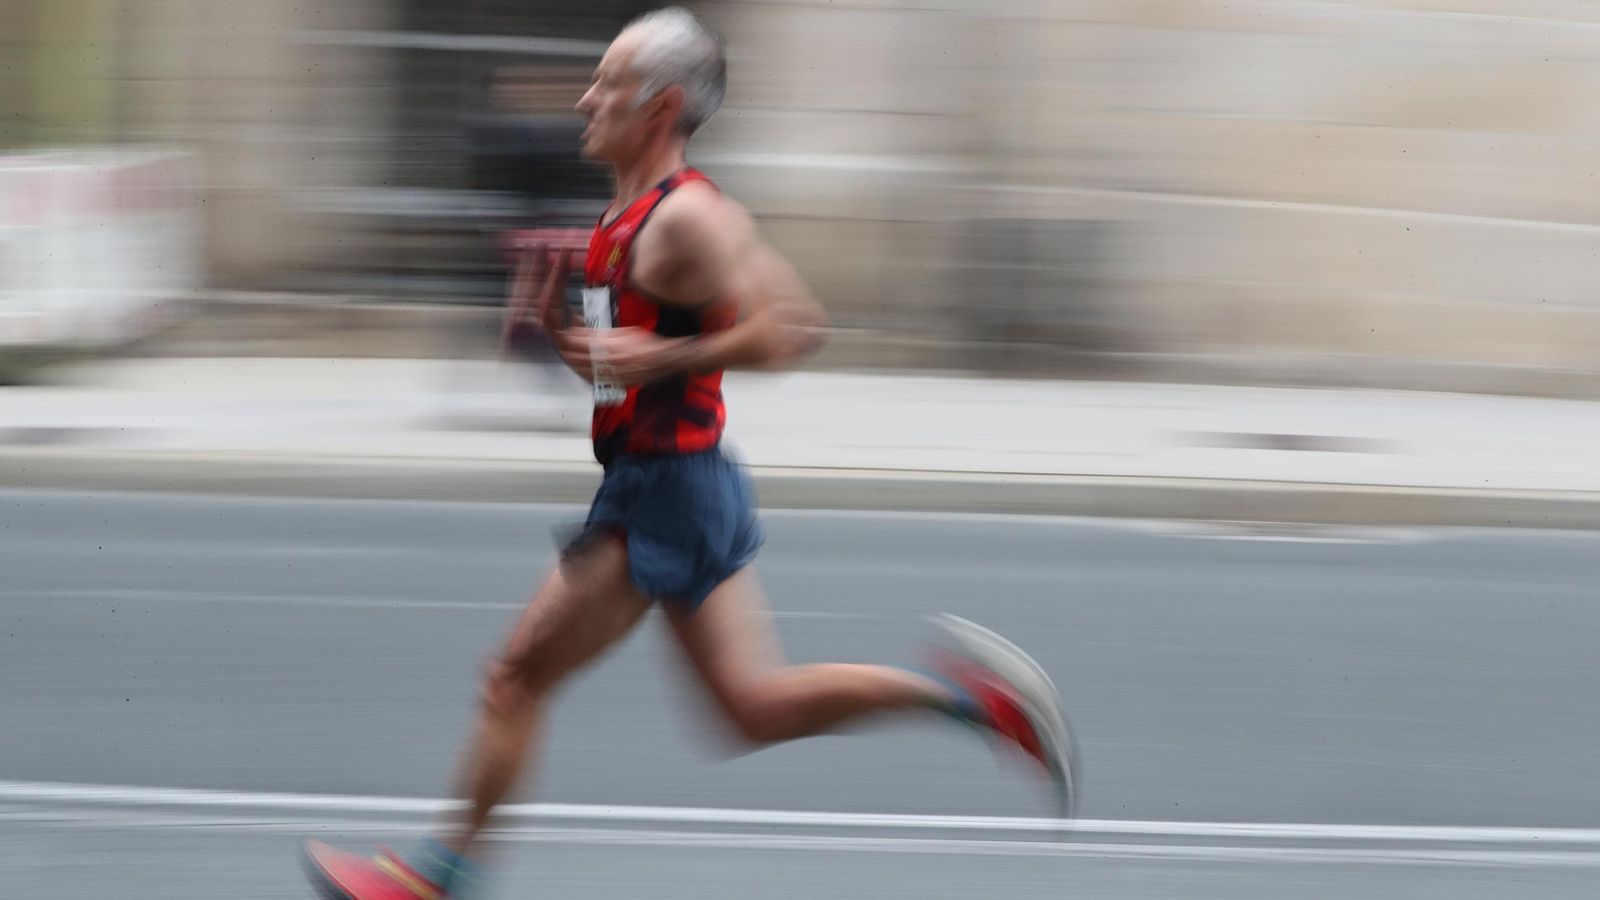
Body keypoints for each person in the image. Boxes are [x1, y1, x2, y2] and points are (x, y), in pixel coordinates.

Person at [304, 9, 1075, 899]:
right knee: (750, 708)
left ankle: (430, 881)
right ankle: (976, 702)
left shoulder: (690, 218)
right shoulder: (635, 213)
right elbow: (635, 356)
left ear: (660, 107)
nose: (586, 99)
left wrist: (660, 358)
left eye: (608, 85)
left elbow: (793, 330)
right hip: (672, 480)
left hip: (664, 492)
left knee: (513, 678)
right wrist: (574, 345)